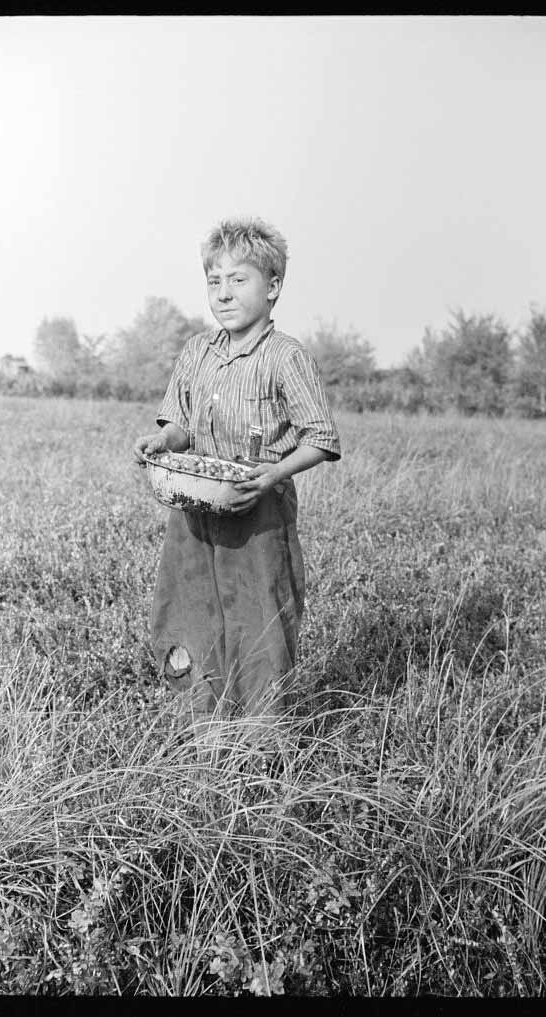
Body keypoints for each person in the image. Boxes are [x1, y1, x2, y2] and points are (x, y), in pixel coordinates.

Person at [133, 217, 341, 727]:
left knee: (260, 622)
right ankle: (202, 727)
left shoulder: (286, 357)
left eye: (238, 280)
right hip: (193, 511)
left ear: (272, 288)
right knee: (190, 611)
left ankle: (259, 742)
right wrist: (162, 440)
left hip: (257, 513)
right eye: (214, 281)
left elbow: (322, 438)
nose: (223, 294)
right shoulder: (196, 352)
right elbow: (180, 425)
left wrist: (269, 477)